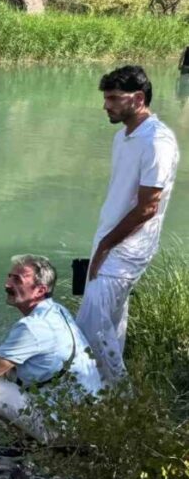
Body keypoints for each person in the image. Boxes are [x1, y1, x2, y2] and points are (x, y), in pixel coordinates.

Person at [76, 65, 179, 384]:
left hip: (127, 248)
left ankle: (114, 395)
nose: (106, 105)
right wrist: (101, 241)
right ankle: (107, 391)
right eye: (105, 97)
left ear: (137, 98)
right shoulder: (123, 136)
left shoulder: (157, 141)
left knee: (90, 324)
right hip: (108, 241)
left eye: (113, 98)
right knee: (112, 321)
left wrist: (106, 246)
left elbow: (148, 207)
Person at [0, 255, 103, 445]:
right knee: (3, 368)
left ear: (40, 290)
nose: (7, 284)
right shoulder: (57, 310)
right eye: (9, 277)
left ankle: (27, 441)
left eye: (17, 280)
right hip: (86, 419)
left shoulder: (32, 326)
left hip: (64, 429)